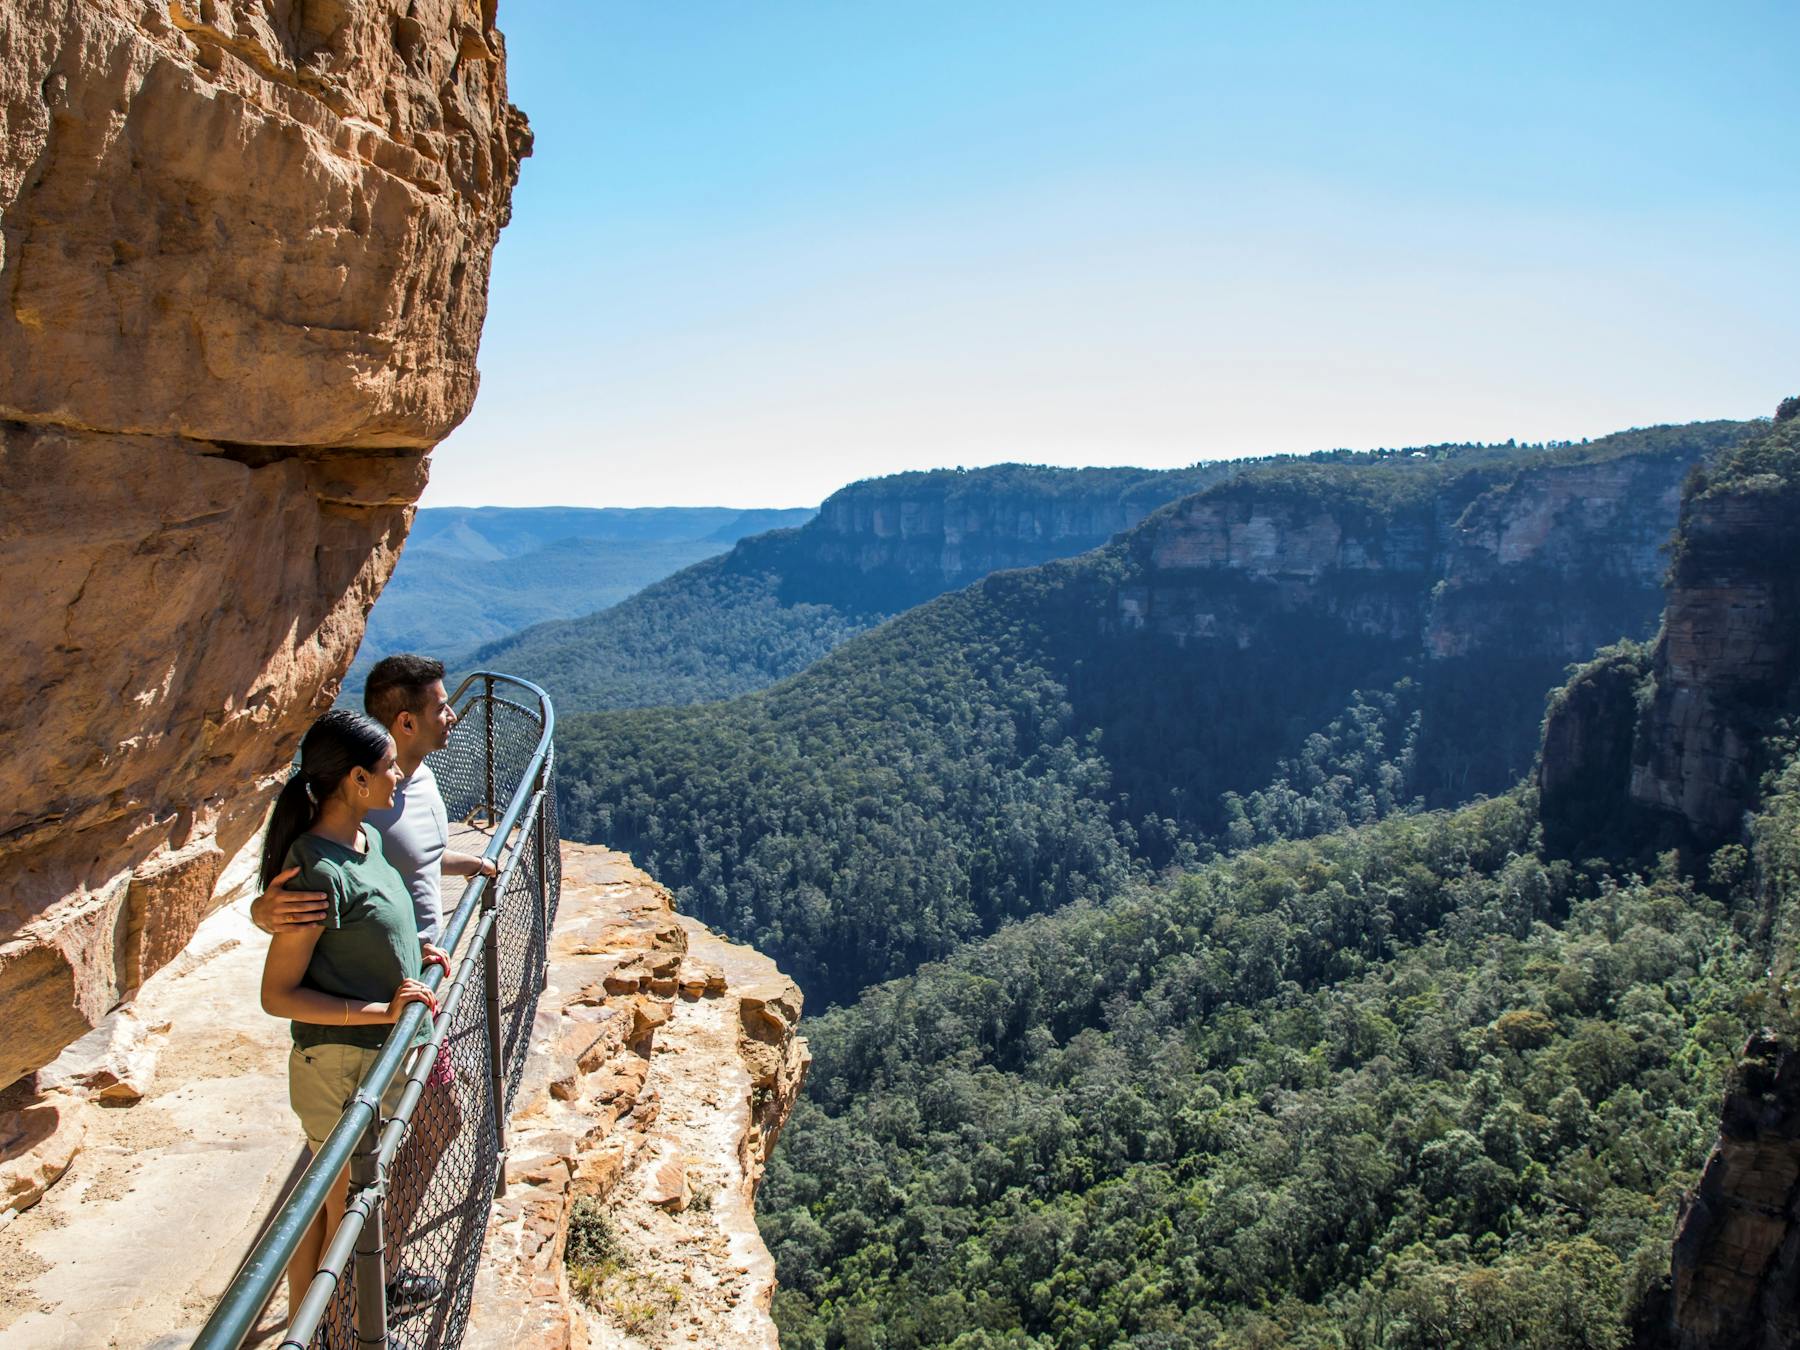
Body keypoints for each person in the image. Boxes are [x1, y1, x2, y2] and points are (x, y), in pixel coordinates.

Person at [256, 708, 448, 1315]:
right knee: (344, 1218)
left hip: (365, 1060)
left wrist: (413, 954)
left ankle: (310, 1326)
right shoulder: (315, 871)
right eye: (389, 767)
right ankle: (336, 1328)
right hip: (340, 1065)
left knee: (328, 1207)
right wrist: (382, 1012)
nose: (400, 777)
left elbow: (368, 930)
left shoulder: (360, 841)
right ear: (358, 781)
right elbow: (278, 995)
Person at [252, 654, 497, 940]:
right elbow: (300, 887)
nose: (452, 716)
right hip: (377, 979)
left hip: (420, 966)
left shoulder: (424, 778)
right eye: (441, 709)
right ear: (406, 723)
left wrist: (475, 864)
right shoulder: (355, 803)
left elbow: (418, 856)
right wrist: (262, 912)